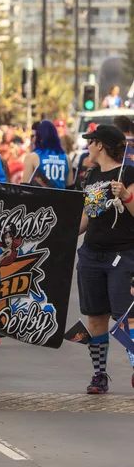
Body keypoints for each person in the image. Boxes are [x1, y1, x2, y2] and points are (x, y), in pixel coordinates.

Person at [77, 124, 134, 393]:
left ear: (100, 144)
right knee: (96, 317)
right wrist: (61, 237)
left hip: (123, 255)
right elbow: (87, 216)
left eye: (90, 142)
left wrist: (126, 195)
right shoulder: (91, 175)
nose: (87, 146)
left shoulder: (129, 172)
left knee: (128, 317)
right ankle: (99, 375)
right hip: (91, 254)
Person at [23, 120, 74, 188]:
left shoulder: (31, 158)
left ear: (39, 137)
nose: (32, 139)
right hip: (61, 198)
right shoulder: (66, 159)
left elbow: (24, 188)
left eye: (33, 136)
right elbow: (70, 188)